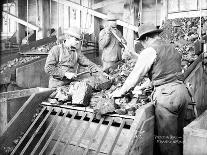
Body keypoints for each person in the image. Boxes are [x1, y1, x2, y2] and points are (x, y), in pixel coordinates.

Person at [110, 23, 191, 155]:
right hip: (181, 92)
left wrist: (120, 92)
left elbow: (135, 75)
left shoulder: (149, 50)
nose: (142, 45)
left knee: (167, 143)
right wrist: (144, 83)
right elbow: (162, 69)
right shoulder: (171, 47)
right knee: (177, 135)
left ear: (146, 38)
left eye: (142, 42)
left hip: (167, 96)